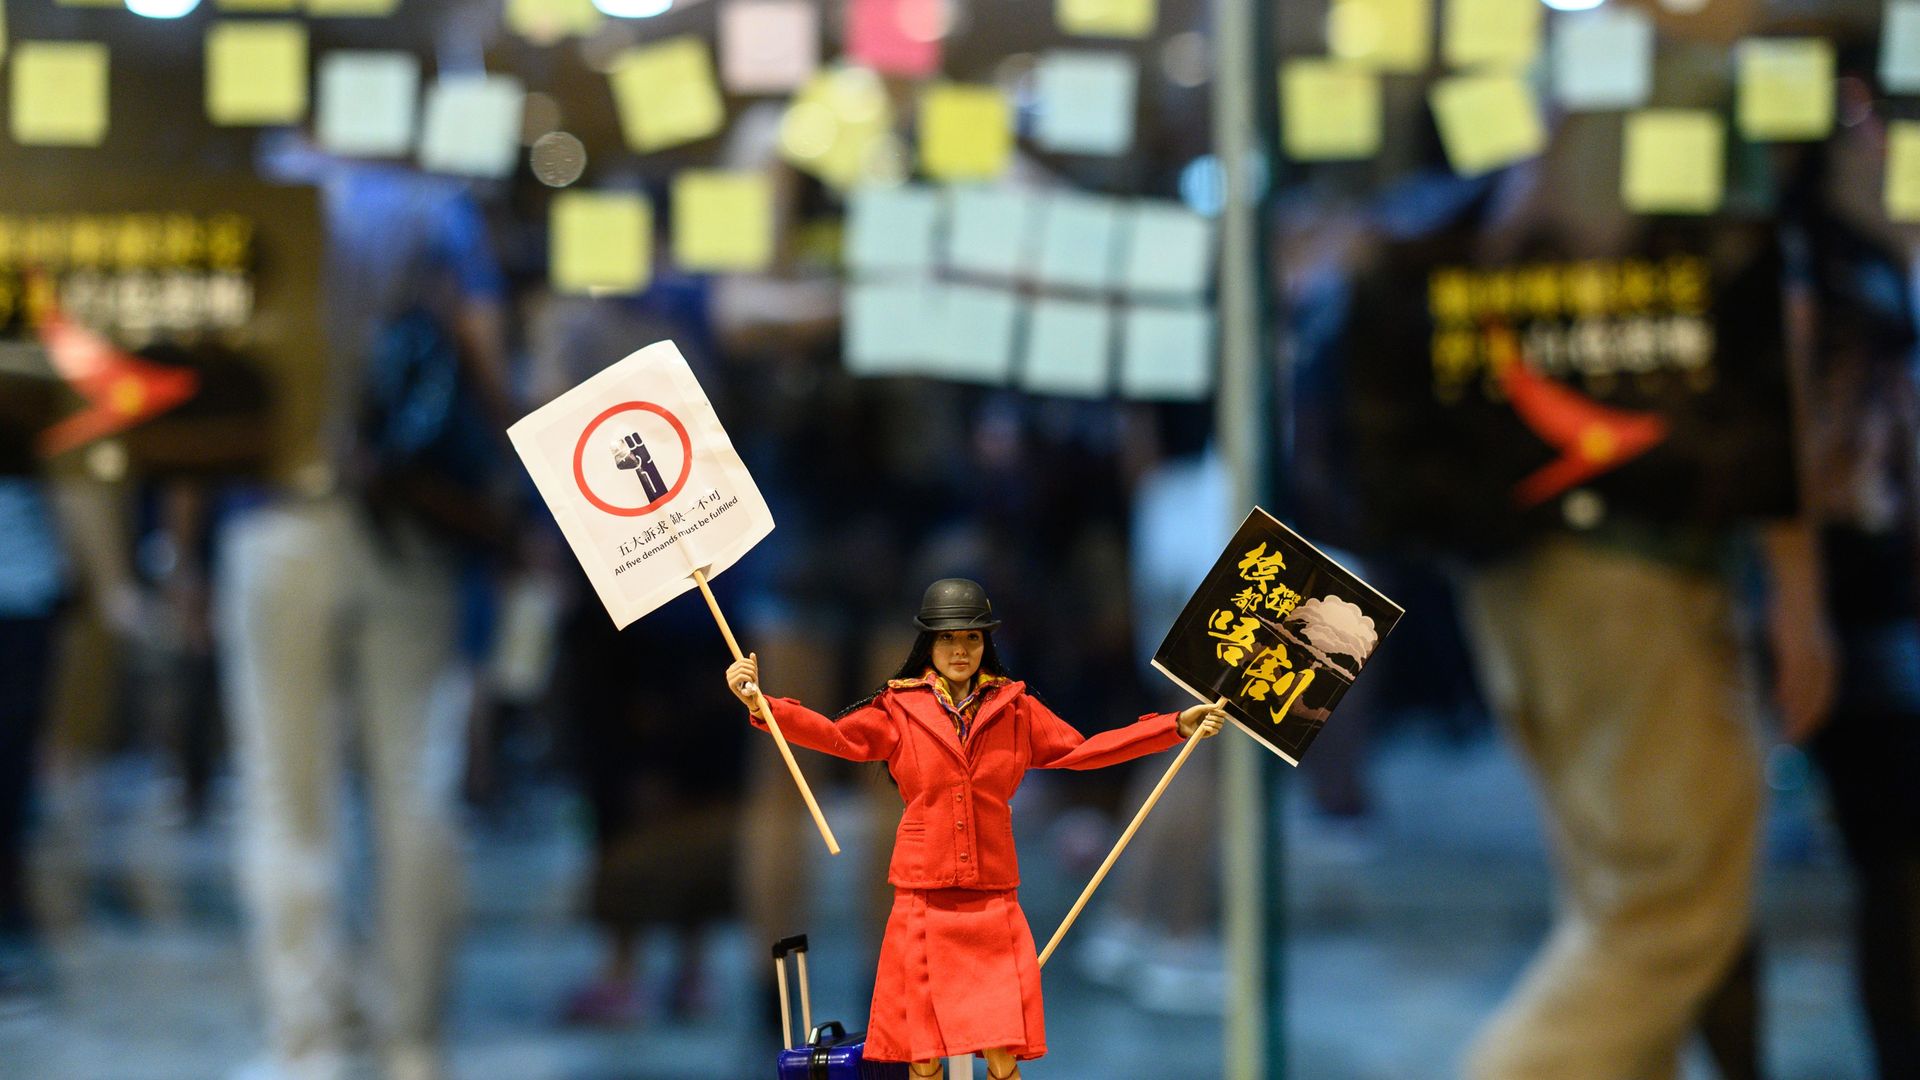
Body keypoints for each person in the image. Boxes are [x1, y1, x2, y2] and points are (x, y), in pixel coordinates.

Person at [724, 578, 1225, 1080]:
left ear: (986, 643)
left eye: (971, 638)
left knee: (1000, 1047)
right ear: (929, 644)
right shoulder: (900, 709)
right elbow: (838, 737)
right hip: (923, 894)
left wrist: (1171, 726)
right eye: (948, 638)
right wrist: (762, 705)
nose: (960, 650)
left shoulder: (1014, 708)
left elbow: (1080, 750)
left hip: (990, 896)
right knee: (921, 1050)